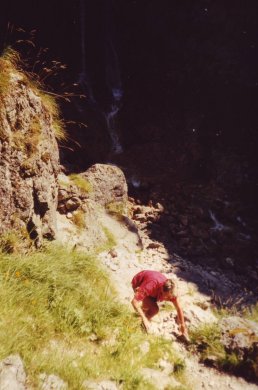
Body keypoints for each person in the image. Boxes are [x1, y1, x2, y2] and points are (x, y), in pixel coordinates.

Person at [131, 270, 188, 339]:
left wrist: (182, 326)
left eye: (169, 298)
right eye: (166, 296)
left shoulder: (171, 292)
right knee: (150, 309)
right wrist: (144, 319)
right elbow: (134, 301)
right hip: (138, 282)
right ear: (161, 289)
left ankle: (140, 322)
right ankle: (140, 321)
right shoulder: (152, 284)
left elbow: (179, 308)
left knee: (153, 310)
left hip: (153, 292)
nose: (167, 299)